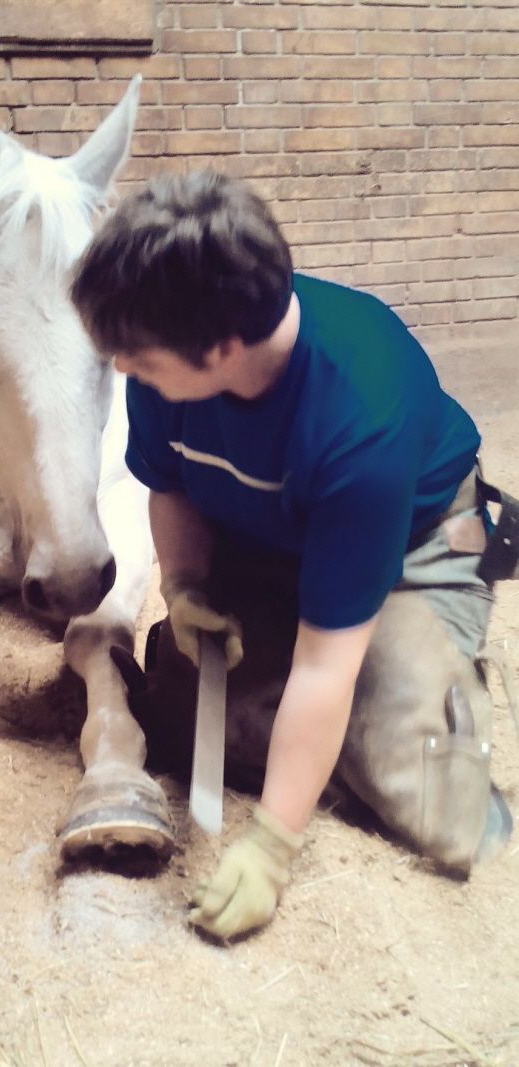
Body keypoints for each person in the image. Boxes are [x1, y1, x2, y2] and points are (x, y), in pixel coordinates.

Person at [70, 169, 517, 942]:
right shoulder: (165, 348)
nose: (120, 368)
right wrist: (184, 584)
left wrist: (273, 846)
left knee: (434, 809)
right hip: (271, 523)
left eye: (134, 357)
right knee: (181, 719)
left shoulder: (363, 410)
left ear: (221, 348)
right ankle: (336, 693)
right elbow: (171, 487)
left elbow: (324, 669)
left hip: (410, 538)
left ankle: (445, 624)